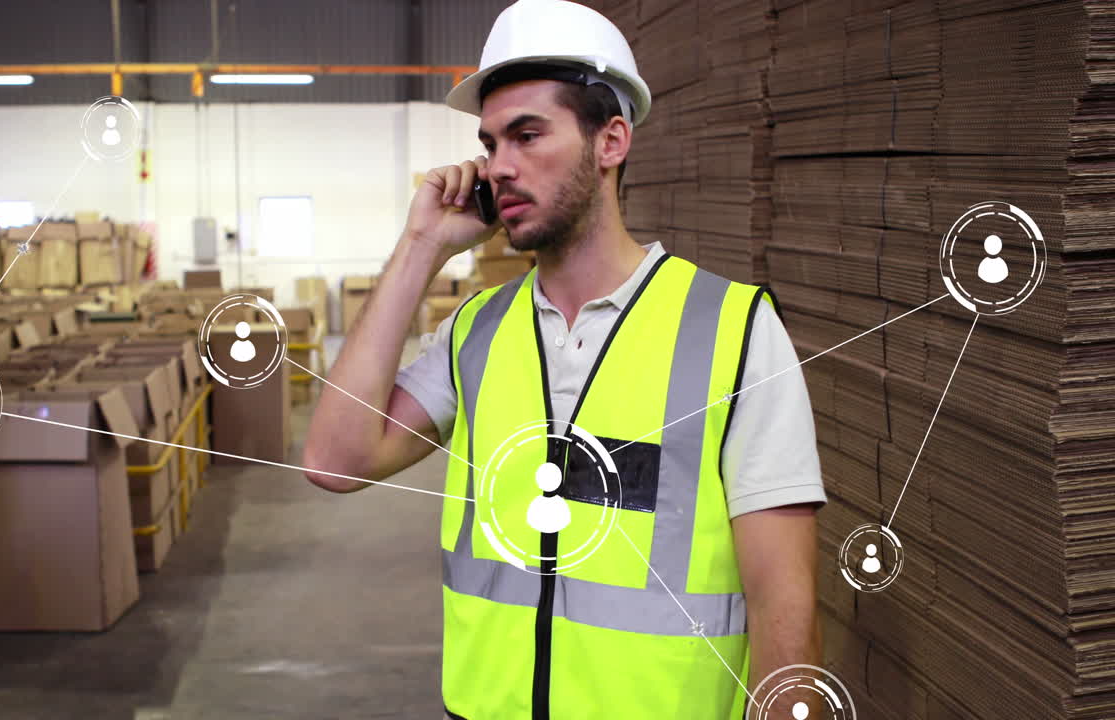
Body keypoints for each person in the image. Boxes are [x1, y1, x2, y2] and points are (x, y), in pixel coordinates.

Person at [304, 1, 826, 718]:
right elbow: (336, 460)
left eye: (527, 135)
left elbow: (784, 606)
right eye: (490, 144)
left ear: (611, 141)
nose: (500, 168)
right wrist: (421, 245)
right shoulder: (477, 332)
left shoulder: (733, 331)